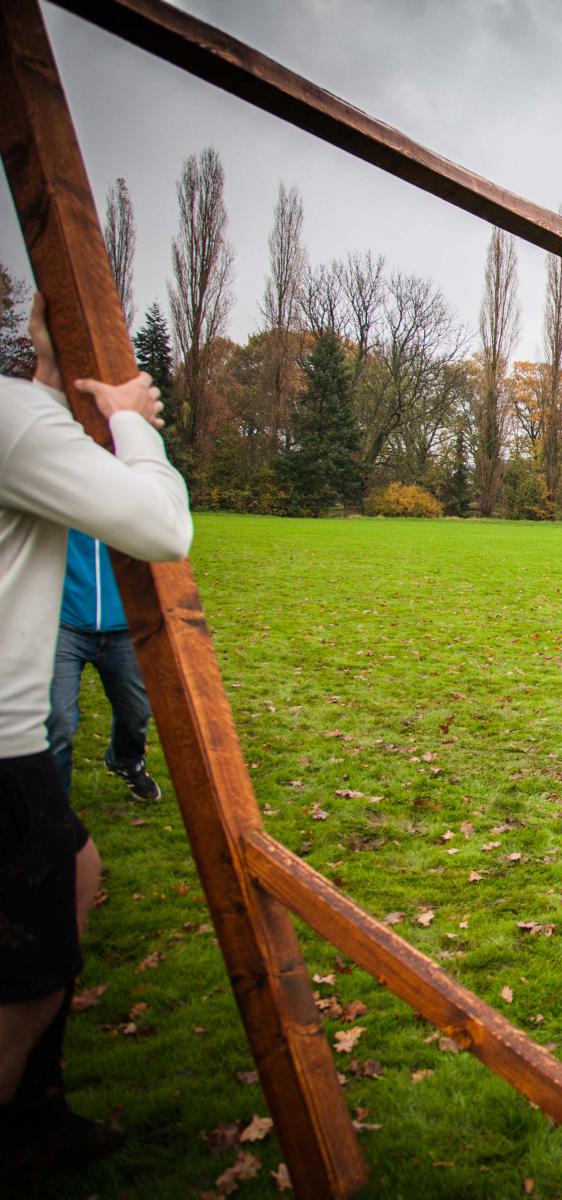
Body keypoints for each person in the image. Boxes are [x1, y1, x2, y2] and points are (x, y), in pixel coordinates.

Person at [1, 294, 192, 1177]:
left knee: (74, 870)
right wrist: (132, 426)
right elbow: (160, 526)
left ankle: (35, 1115)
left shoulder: (24, 417)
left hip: (15, 736)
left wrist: (60, 385)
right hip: (3, 742)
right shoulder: (18, 426)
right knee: (34, 959)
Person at [48, 531, 162, 801]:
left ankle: (126, 762)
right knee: (58, 721)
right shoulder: (59, 499)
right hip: (63, 624)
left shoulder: (124, 502)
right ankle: (55, 808)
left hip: (124, 627)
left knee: (136, 712)